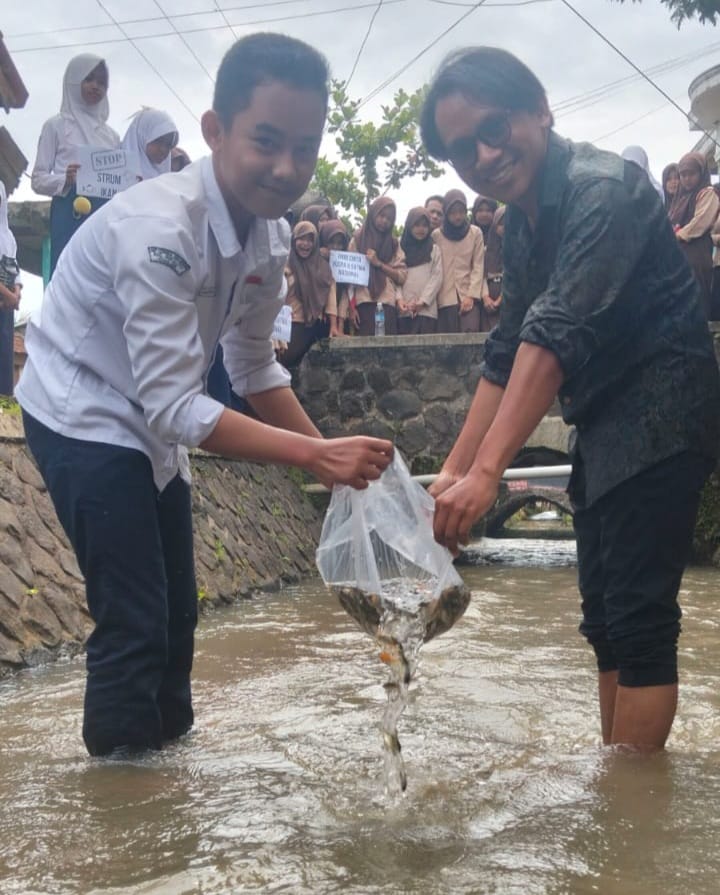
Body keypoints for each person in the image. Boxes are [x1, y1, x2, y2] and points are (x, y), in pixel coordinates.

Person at [16, 33, 393, 758]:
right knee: (133, 618)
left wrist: (331, 460)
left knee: (178, 614)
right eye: (265, 140)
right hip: (80, 407)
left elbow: (253, 367)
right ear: (215, 131)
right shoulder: (161, 228)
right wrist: (317, 455)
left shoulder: (272, 239)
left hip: (150, 412)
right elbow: (179, 411)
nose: (286, 168)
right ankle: (125, 810)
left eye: (305, 148)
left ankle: (171, 771)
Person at [420, 46, 720, 751]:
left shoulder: (601, 191)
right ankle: (617, 772)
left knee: (640, 619)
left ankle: (630, 813)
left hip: (663, 410)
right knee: (605, 620)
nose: (486, 155)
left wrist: (489, 475)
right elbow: (507, 346)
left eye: (496, 129)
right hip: (601, 419)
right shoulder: (523, 223)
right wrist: (456, 471)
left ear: (542, 110)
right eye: (465, 149)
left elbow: (551, 340)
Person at [31, 53, 120, 275]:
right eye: (89, 79)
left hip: (104, 215)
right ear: (74, 80)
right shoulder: (56, 126)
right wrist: (65, 179)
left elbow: (117, 180)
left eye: (102, 82)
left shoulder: (111, 136)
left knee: (102, 277)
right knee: (67, 274)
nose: (95, 87)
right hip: (69, 210)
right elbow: (38, 179)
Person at [279, 221, 339, 368]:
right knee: (279, 361)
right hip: (286, 323)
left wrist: (334, 326)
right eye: (301, 239)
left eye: (310, 240)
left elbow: (331, 296)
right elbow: (275, 293)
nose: (305, 244)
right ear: (293, 240)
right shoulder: (285, 263)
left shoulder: (322, 267)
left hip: (311, 324)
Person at [669, 152, 719, 318]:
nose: (686, 179)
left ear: (701, 172)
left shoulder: (707, 193)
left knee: (698, 302)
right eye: (683, 174)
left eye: (691, 174)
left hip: (697, 256)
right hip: (679, 256)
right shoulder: (680, 197)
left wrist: (677, 236)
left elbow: (700, 223)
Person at [348, 197, 407, 336]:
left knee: (389, 352)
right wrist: (351, 308)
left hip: (387, 303)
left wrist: (379, 264)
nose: (384, 221)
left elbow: (401, 276)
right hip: (363, 303)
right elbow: (350, 279)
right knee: (363, 353)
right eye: (381, 215)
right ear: (373, 213)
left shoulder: (394, 244)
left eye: (389, 218)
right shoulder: (357, 240)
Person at [432, 189, 485, 333]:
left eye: (461, 211)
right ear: (446, 213)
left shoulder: (475, 233)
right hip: (443, 298)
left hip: (469, 296)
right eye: (453, 212)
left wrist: (471, 296)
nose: (458, 216)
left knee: (470, 338)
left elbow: (478, 266)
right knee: (445, 345)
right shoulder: (437, 236)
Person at [397, 206, 442, 334]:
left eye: (424, 225)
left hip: (427, 311)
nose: (421, 229)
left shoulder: (434, 249)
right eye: (416, 225)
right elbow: (396, 276)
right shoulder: (399, 246)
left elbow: (437, 277)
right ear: (409, 225)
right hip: (404, 310)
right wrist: (400, 299)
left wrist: (422, 302)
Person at [0, 181, 21, 396]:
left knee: (4, 364)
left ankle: (5, 423)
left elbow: (16, 268)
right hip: (5, 302)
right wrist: (8, 296)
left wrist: (16, 292)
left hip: (5, 312)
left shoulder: (8, 237)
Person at [121, 108, 179, 181]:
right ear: (142, 136)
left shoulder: (169, 183)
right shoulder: (114, 173)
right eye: (158, 140)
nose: (163, 149)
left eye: (168, 145)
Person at [319, 219, 355, 332]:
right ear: (324, 241)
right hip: (319, 319)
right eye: (331, 242)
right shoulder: (316, 259)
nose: (335, 247)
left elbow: (346, 291)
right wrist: (318, 254)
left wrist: (340, 324)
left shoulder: (347, 263)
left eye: (339, 243)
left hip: (341, 319)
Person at [481, 205, 505, 332]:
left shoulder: (519, 249)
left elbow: (515, 277)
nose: (505, 227)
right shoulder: (486, 250)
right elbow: (481, 276)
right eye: (501, 224)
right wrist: (486, 298)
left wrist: (501, 298)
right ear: (494, 226)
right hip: (488, 299)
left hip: (509, 299)